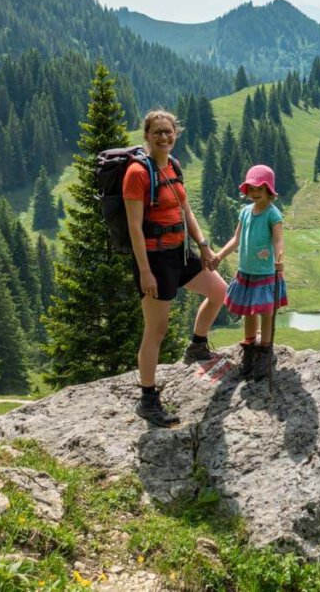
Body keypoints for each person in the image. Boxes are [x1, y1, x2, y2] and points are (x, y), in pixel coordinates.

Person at [124, 110, 228, 426]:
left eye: (168, 132)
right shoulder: (136, 173)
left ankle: (197, 346)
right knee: (156, 330)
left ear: (175, 134)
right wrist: (145, 271)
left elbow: (186, 210)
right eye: (157, 132)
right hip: (155, 260)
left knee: (219, 290)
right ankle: (148, 400)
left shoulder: (173, 166)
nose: (164, 137)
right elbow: (134, 227)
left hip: (180, 253)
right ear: (147, 135)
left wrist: (204, 245)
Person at [212, 164, 287, 380]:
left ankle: (265, 349)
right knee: (248, 311)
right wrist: (219, 256)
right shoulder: (245, 212)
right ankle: (249, 345)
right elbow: (236, 239)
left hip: (265, 272)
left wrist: (279, 258)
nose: (255, 194)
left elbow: (278, 239)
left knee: (265, 310)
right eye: (251, 189)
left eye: (259, 190)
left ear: (269, 191)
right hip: (246, 271)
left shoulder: (273, 214)